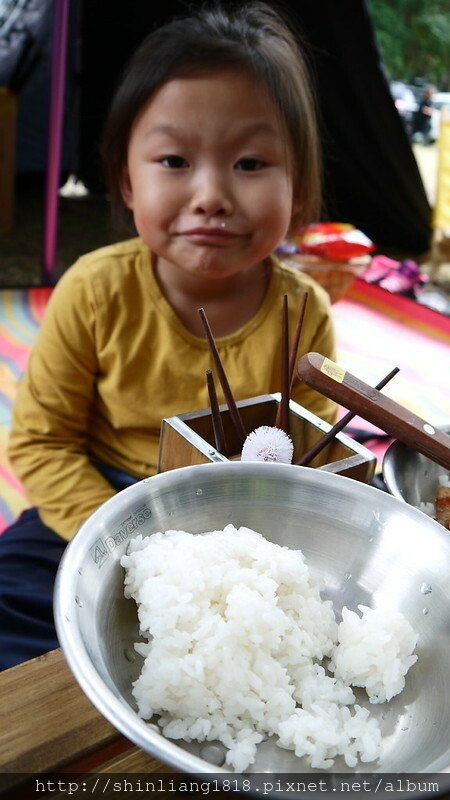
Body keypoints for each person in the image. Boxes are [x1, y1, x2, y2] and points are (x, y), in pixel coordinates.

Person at [0, 1, 337, 671]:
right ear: (126, 180)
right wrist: (128, 543)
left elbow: (315, 460)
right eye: (175, 159)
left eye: (250, 163)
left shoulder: (305, 311)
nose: (211, 193)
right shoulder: (95, 290)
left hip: (238, 524)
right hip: (98, 502)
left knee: (308, 647)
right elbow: (43, 442)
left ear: (298, 189)